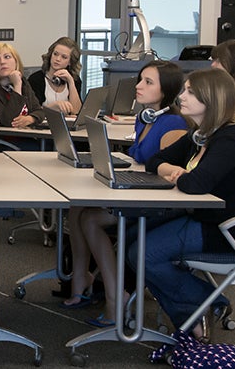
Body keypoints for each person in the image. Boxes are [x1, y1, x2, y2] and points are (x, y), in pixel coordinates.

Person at [133, 67, 235, 341]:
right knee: (133, 236)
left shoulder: (233, 137)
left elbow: (196, 184)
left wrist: (183, 176)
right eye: (184, 90)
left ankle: (203, 306)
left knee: (143, 253)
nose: (181, 97)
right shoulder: (202, 133)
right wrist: (174, 171)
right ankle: (201, 307)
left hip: (233, 230)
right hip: (206, 218)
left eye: (191, 92)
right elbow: (154, 161)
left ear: (211, 99)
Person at [67, 59, 187, 327]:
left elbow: (169, 172)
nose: (139, 86)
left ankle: (115, 296)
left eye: (148, 82)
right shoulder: (145, 119)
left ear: (166, 90)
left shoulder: (173, 125)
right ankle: (81, 279)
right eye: (140, 80)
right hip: (137, 187)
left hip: (156, 200)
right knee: (76, 208)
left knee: (90, 218)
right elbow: (140, 159)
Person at [0, 42, 45, 128]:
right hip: (3, 139)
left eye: (7, 57)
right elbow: (7, 121)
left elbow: (39, 111)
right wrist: (17, 86)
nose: (2, 62)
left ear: (16, 61)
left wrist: (30, 119)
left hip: (26, 135)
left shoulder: (23, 82)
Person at [28, 36, 83, 114]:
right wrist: (54, 106)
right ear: (51, 54)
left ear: (70, 62)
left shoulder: (75, 80)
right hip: (42, 125)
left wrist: (71, 82)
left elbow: (76, 111)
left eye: (64, 57)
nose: (57, 59)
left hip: (66, 125)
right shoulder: (36, 79)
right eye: (55, 54)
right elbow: (31, 111)